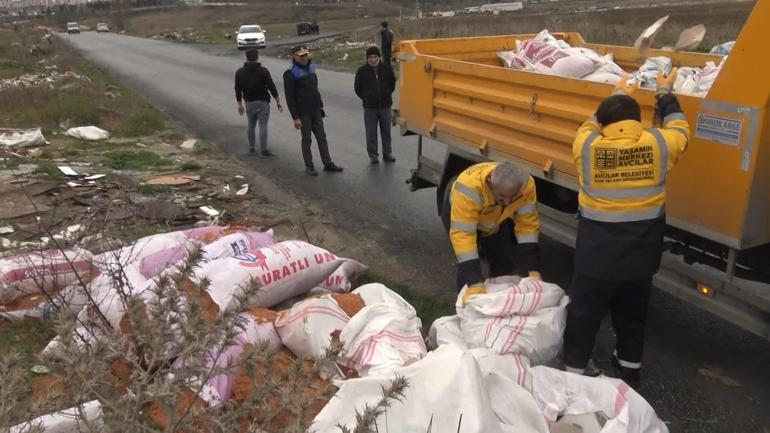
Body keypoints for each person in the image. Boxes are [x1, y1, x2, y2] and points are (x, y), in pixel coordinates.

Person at [563, 69, 689, 388]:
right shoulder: (660, 145)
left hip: (596, 260)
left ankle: (574, 375)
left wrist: (618, 93)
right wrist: (664, 92)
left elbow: (587, 126)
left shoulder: (588, 148)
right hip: (640, 260)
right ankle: (629, 372)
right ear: (639, 121)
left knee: (584, 317)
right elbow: (680, 127)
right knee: (632, 318)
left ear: (604, 125)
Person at [449, 161, 542, 306]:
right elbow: (463, 236)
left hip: (494, 219)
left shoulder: (526, 185)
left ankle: (499, 308)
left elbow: (527, 226)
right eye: (502, 197)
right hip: (463, 217)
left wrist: (532, 268)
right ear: (490, 184)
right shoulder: (468, 189)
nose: (507, 202)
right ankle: (465, 309)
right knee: (467, 275)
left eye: (512, 196)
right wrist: (474, 282)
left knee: (504, 264)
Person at [282, 46, 343, 176]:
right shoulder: (290, 73)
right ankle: (309, 166)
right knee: (307, 139)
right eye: (301, 55)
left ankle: (328, 163)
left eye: (306, 55)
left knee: (322, 137)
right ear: (294, 56)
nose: (304, 57)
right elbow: (289, 97)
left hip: (315, 110)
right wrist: (295, 117)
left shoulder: (311, 68)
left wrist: (320, 105)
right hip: (303, 112)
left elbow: (315, 89)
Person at [234, 48, 283, 157]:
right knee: (263, 126)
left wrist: (240, 105)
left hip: (249, 102)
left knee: (251, 125)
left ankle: (251, 148)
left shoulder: (239, 73)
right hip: (262, 102)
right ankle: (264, 149)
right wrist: (277, 101)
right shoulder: (263, 71)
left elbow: (238, 89)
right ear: (257, 57)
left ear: (246, 57)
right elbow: (271, 86)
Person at [354, 46, 397, 164]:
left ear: (379, 57)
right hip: (370, 108)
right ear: (367, 59)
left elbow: (392, 83)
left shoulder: (386, 69)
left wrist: (387, 93)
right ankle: (373, 155)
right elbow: (357, 88)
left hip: (385, 106)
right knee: (371, 132)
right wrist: (367, 97)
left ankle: (387, 153)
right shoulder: (362, 71)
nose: (373, 59)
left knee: (386, 132)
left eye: (375, 57)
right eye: (370, 57)